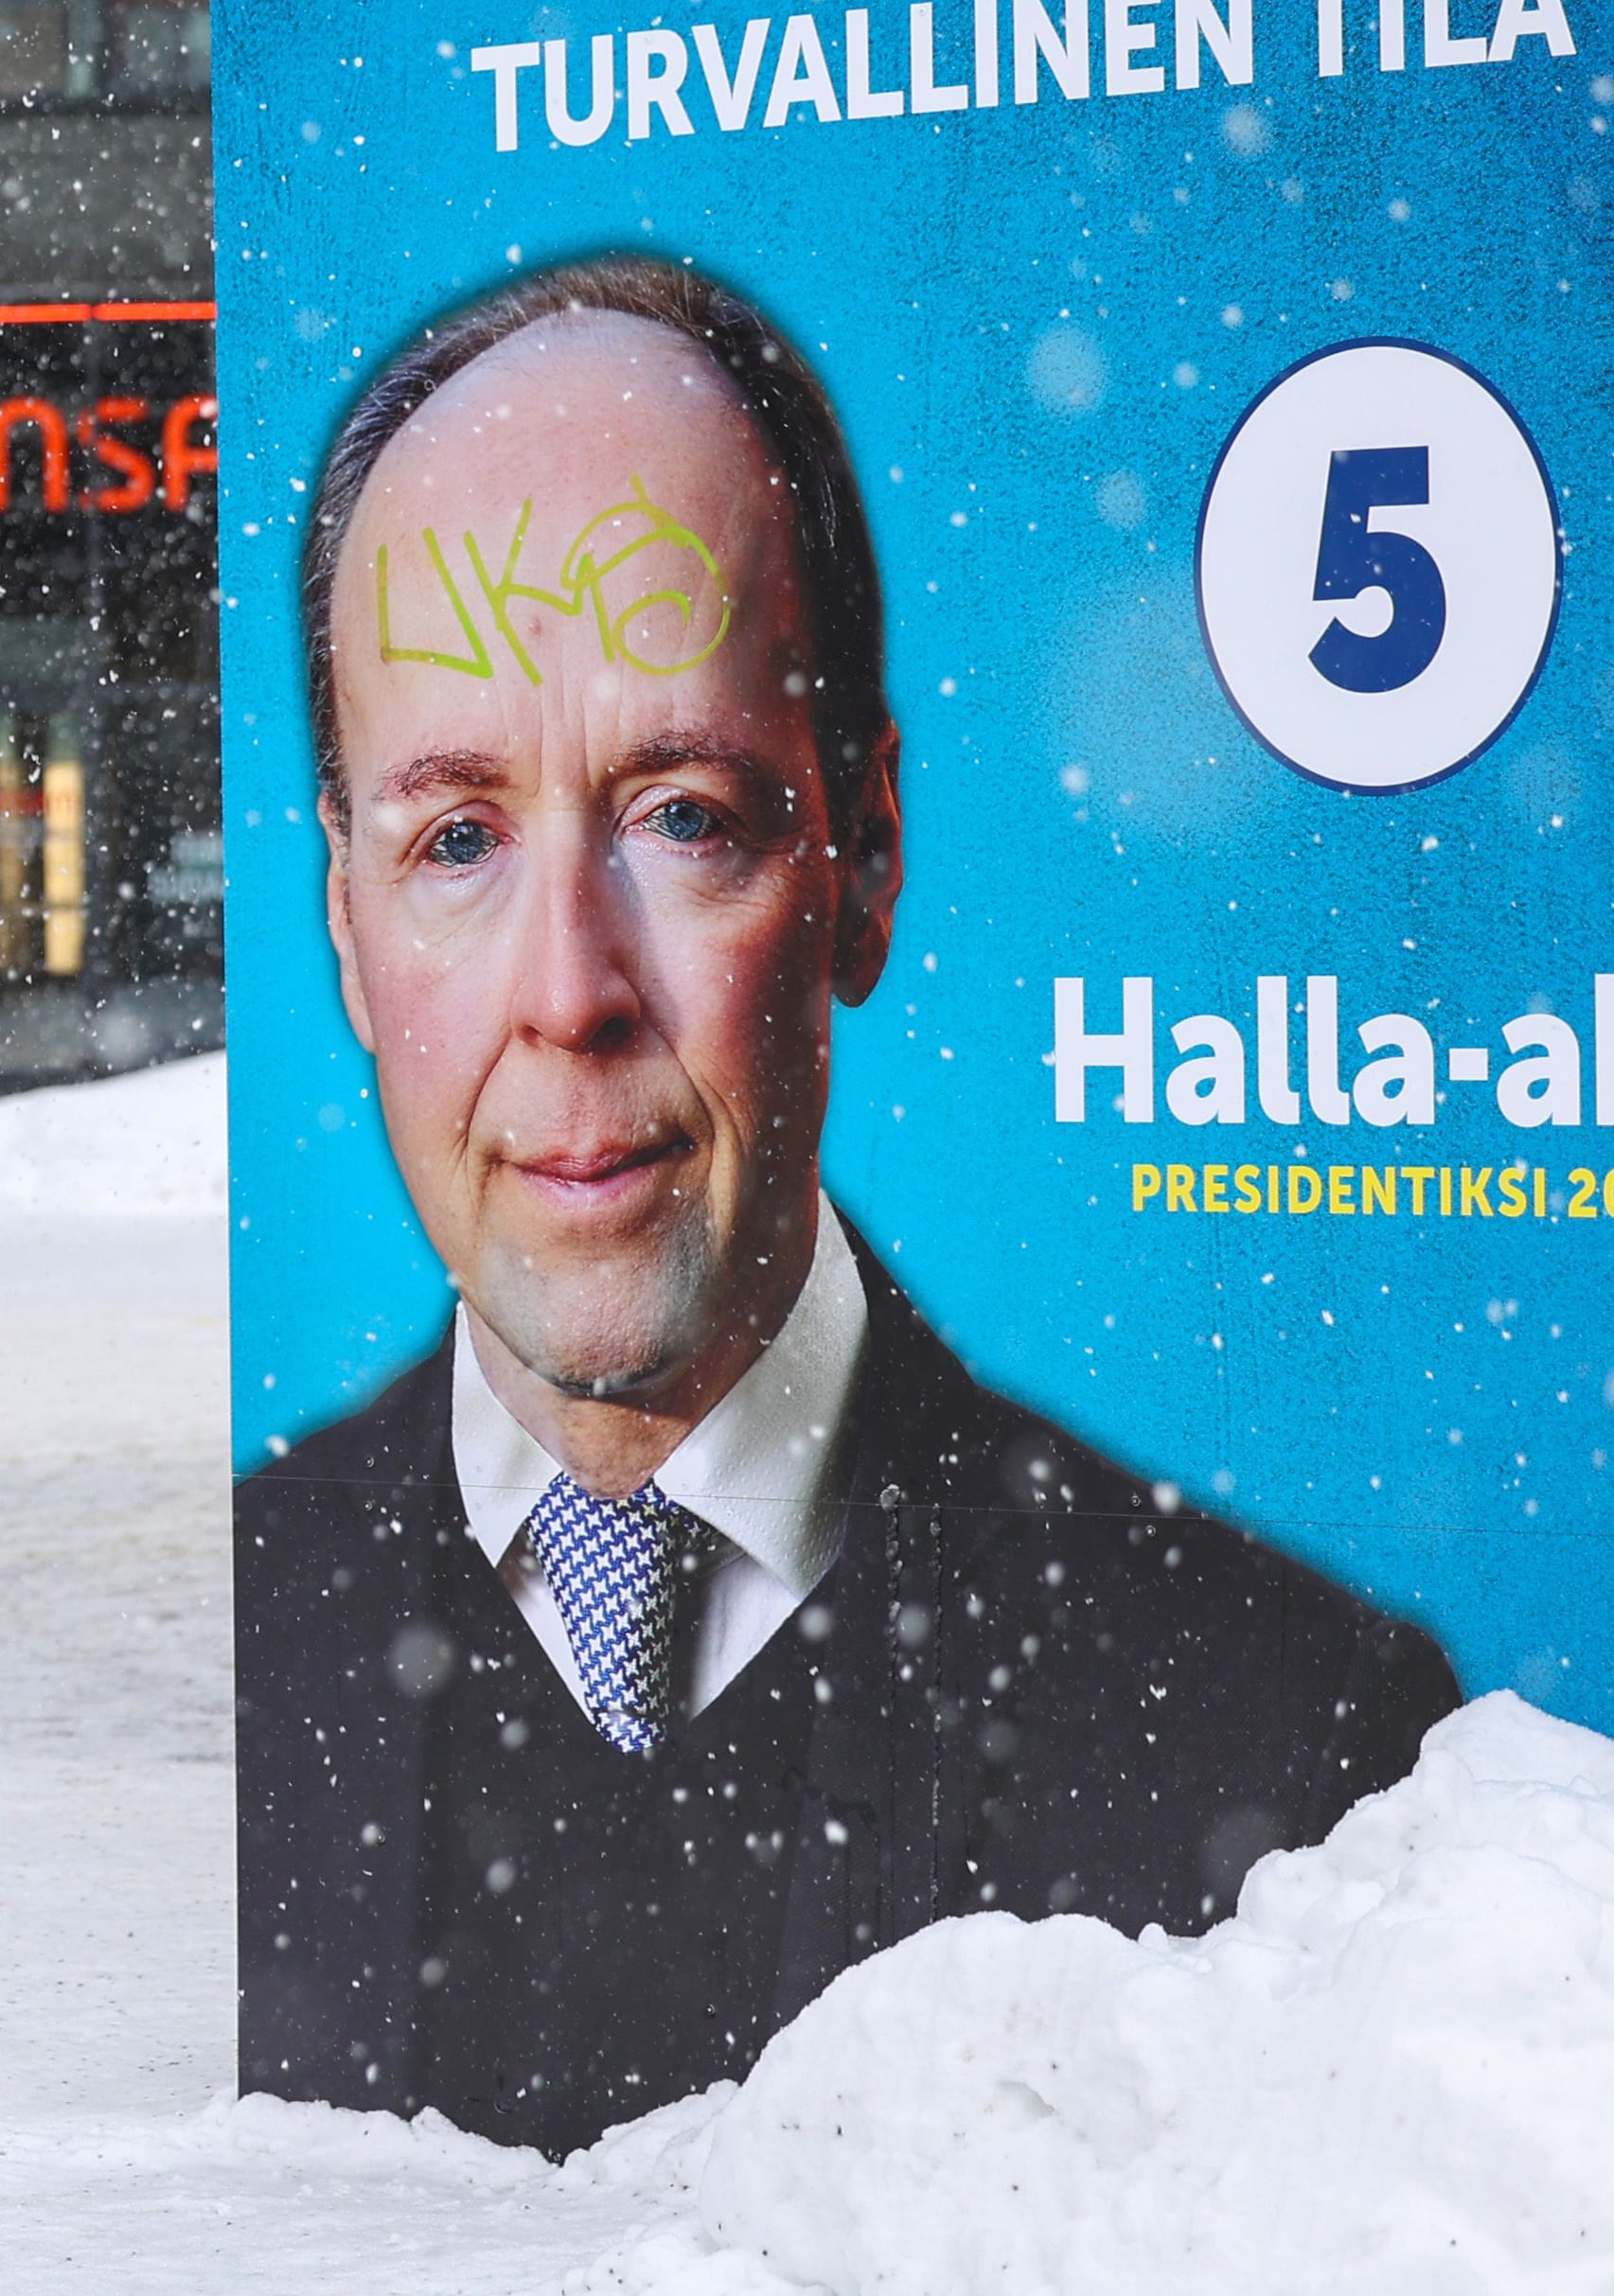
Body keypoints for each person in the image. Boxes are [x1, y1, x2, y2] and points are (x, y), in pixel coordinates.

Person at [239, 256, 1459, 2154]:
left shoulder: (1294, 1746)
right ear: (340, 913)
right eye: (456, 839)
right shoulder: (211, 1661)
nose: (569, 987)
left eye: (681, 814)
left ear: (864, 855)